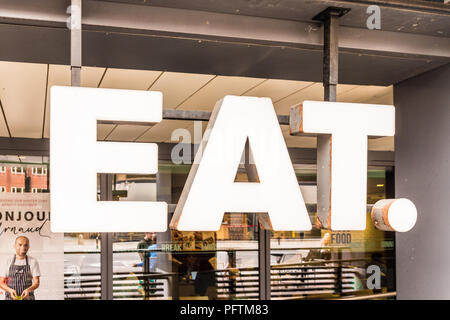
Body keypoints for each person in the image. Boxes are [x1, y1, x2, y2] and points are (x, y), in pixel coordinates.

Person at [0, 236, 40, 300]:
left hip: (28, 298)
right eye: (20, 245)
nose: (23, 247)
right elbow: (1, 282)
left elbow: (36, 282)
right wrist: (10, 290)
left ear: (28, 247)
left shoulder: (33, 261)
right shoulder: (7, 261)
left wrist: (28, 290)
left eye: (25, 245)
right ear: (14, 246)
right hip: (10, 298)